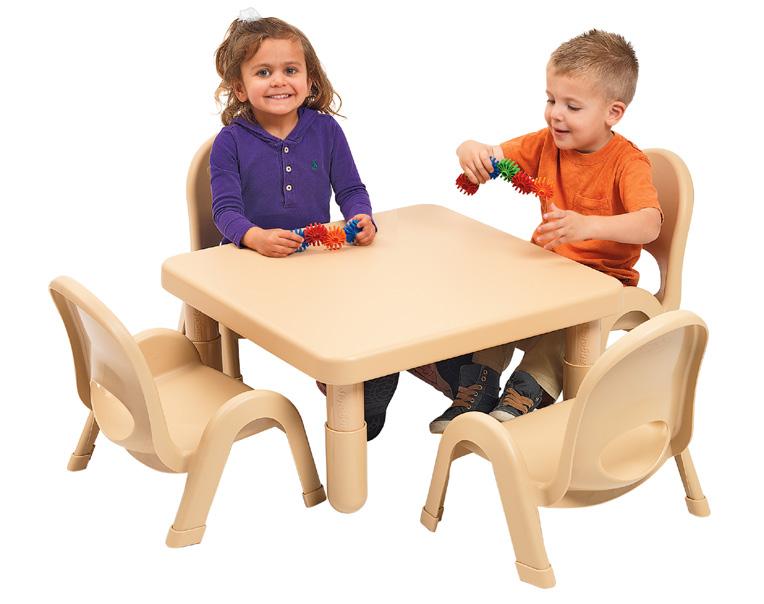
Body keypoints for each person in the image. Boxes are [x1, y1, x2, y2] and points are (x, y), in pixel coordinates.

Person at [422, 29, 663, 433]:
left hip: (603, 283)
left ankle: (527, 391)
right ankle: (476, 387)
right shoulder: (546, 143)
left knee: (565, 325)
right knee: (498, 302)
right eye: (551, 100)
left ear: (613, 113)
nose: (555, 114)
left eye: (572, 106)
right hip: (548, 271)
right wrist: (469, 148)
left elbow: (650, 222)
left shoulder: (628, 162)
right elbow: (494, 155)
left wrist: (587, 225)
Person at [209, 8, 398, 440]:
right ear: (239, 87)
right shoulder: (230, 142)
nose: (279, 81)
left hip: (314, 257)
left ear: (310, 79)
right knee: (316, 322)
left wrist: (362, 217)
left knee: (369, 304)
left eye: (290, 70)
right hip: (252, 265)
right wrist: (254, 237)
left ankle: (366, 384)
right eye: (263, 72)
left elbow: (351, 188)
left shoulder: (326, 130)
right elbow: (225, 211)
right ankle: (338, 374)